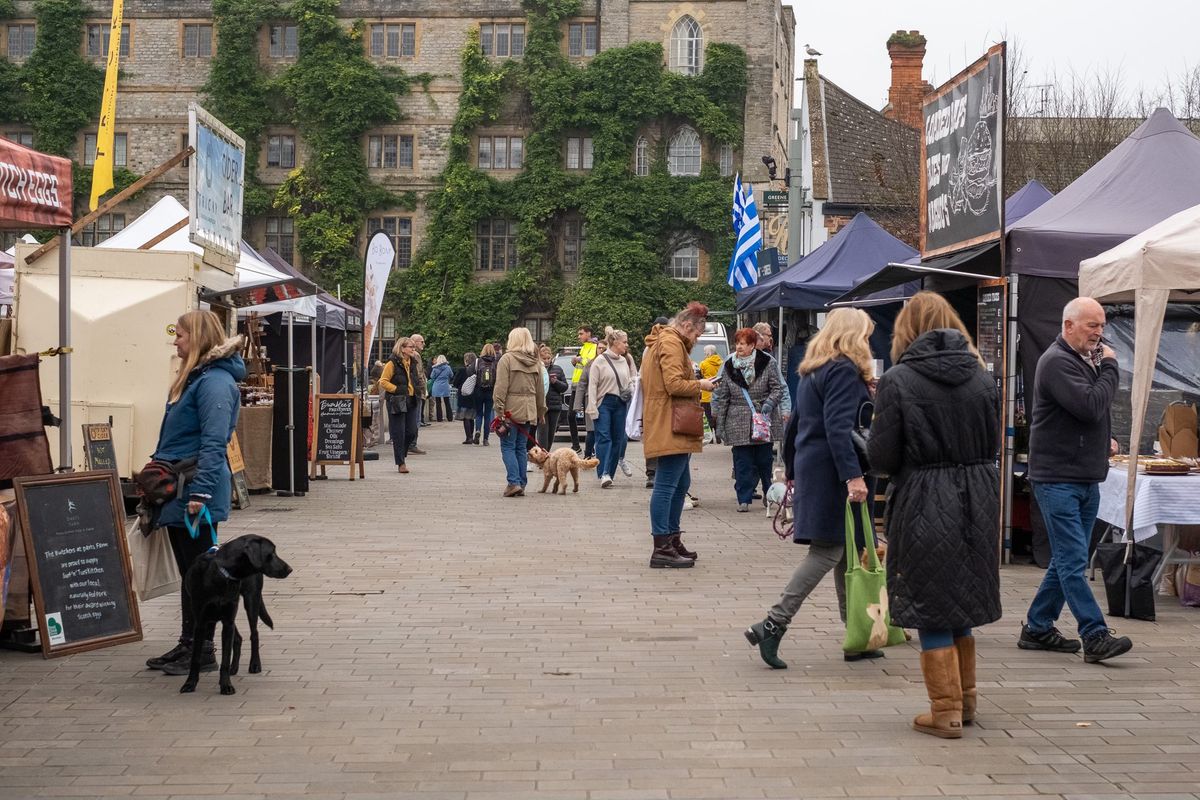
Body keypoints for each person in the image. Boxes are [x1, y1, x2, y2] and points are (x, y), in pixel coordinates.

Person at [866, 292, 1002, 738]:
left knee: (928, 597)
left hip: (925, 493)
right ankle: (965, 699)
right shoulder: (983, 378)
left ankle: (944, 710)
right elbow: (993, 444)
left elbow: (883, 456)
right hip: (979, 494)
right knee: (959, 593)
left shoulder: (899, 380)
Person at [744, 307, 878, 668]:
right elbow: (838, 429)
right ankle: (773, 622)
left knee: (847, 552)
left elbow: (795, 424)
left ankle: (857, 635)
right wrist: (853, 476)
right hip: (834, 472)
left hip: (814, 467)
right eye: (865, 334)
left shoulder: (815, 369)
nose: (868, 340)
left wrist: (791, 469)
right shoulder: (844, 371)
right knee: (827, 551)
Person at [1020, 297, 1132, 663]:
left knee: (1069, 559)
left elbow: (1085, 416)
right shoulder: (1056, 362)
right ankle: (1095, 634)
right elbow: (1089, 405)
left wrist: (1103, 440)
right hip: (1059, 480)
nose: (1099, 334)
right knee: (1071, 561)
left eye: (1101, 326)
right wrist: (1112, 368)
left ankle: (1037, 626)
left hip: (1083, 476)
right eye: (1091, 326)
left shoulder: (1081, 361)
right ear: (1068, 326)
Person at [144, 310, 244, 677]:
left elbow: (215, 441)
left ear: (198, 337)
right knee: (191, 574)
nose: (176, 341)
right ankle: (191, 643)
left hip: (193, 491)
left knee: (201, 574)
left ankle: (202, 649)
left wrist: (199, 493)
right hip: (181, 487)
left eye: (181, 335)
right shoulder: (200, 379)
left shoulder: (215, 382)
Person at [641, 302, 714, 568]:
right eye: (696, 334)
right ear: (686, 326)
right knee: (667, 486)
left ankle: (671, 539)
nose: (695, 339)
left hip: (669, 419)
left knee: (681, 484)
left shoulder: (666, 340)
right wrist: (701, 384)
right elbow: (674, 384)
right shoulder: (671, 343)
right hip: (669, 421)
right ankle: (662, 547)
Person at [712, 328, 784, 512]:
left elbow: (777, 388)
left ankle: (769, 493)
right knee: (742, 462)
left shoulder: (767, 362)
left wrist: (768, 404)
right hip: (738, 419)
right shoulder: (729, 365)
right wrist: (720, 425)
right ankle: (743, 498)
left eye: (742, 344)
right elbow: (724, 395)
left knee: (764, 460)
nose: (739, 347)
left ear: (752, 345)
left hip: (762, 417)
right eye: (737, 343)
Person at [493, 327, 547, 497]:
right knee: (521, 447)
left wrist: (499, 409)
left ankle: (513, 482)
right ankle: (522, 483)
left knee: (508, 446)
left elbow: (501, 387)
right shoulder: (536, 362)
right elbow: (540, 390)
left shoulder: (507, 359)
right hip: (529, 409)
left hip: (510, 408)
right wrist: (540, 412)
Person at [587, 327, 636, 487]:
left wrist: (632, 388)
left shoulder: (624, 360)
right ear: (614, 342)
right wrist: (592, 407)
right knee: (604, 438)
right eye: (624, 342)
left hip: (621, 403)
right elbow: (592, 386)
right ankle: (604, 473)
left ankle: (610, 474)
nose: (626, 345)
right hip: (604, 403)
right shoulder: (599, 361)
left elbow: (628, 380)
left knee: (618, 440)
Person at [378, 337, 424, 473]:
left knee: (411, 431)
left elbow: (415, 379)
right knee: (399, 433)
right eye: (410, 347)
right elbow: (383, 381)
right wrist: (397, 390)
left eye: (413, 347)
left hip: (411, 399)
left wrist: (418, 390)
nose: (413, 349)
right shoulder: (392, 363)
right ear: (402, 348)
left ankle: (401, 455)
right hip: (397, 400)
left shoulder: (413, 362)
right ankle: (401, 463)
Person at [574, 340, 607, 459]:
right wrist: (577, 405)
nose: (601, 350)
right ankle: (587, 455)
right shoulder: (590, 364)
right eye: (599, 348)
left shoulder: (611, 363)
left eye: (604, 348)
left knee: (604, 431)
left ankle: (603, 456)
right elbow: (582, 384)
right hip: (590, 400)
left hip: (606, 399)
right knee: (591, 430)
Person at [753, 321, 792, 418]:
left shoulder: (770, 360)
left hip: (766, 411)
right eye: (769, 335)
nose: (771, 338)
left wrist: (785, 409)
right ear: (760, 336)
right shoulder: (732, 360)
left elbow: (780, 386)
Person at [569, 326, 598, 451]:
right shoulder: (584, 347)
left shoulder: (595, 347)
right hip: (576, 385)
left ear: (588, 333)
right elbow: (580, 364)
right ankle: (576, 445)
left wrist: (580, 359)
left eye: (581, 333)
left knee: (589, 419)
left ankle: (590, 448)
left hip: (586, 387)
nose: (579, 336)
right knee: (571, 415)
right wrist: (575, 361)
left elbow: (591, 363)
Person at [540, 344, 569, 451]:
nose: (547, 361)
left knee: (551, 433)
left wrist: (556, 382)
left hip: (554, 406)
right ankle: (543, 455)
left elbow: (565, 387)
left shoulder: (558, 369)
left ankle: (546, 453)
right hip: (542, 406)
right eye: (544, 359)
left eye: (548, 358)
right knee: (543, 432)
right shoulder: (537, 369)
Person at [473, 343, 499, 446]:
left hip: (479, 390)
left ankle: (478, 430)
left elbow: (471, 373)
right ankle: (486, 439)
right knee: (488, 415)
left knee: (479, 413)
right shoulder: (496, 363)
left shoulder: (478, 361)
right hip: (490, 391)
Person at [408, 333, 430, 448]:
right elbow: (418, 374)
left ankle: (411, 443)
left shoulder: (411, 354)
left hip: (413, 390)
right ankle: (413, 444)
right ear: (414, 342)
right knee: (415, 419)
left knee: (414, 418)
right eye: (421, 341)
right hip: (417, 391)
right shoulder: (415, 355)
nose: (423, 344)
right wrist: (422, 390)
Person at [452, 352, 478, 444]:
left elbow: (455, 382)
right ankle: (472, 434)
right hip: (474, 395)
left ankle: (469, 437)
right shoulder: (477, 370)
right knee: (471, 417)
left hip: (464, 396)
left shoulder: (462, 370)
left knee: (466, 417)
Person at [698, 344, 722, 444]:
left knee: (708, 416)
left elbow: (700, 375)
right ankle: (719, 436)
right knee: (716, 415)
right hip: (718, 391)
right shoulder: (721, 362)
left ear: (708, 353)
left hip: (706, 393)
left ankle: (710, 438)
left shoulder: (703, 363)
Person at [429, 355, 453, 422]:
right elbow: (451, 375)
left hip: (437, 385)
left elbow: (432, 377)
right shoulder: (448, 368)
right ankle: (450, 417)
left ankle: (439, 418)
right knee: (447, 402)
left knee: (438, 403)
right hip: (445, 385)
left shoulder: (435, 368)